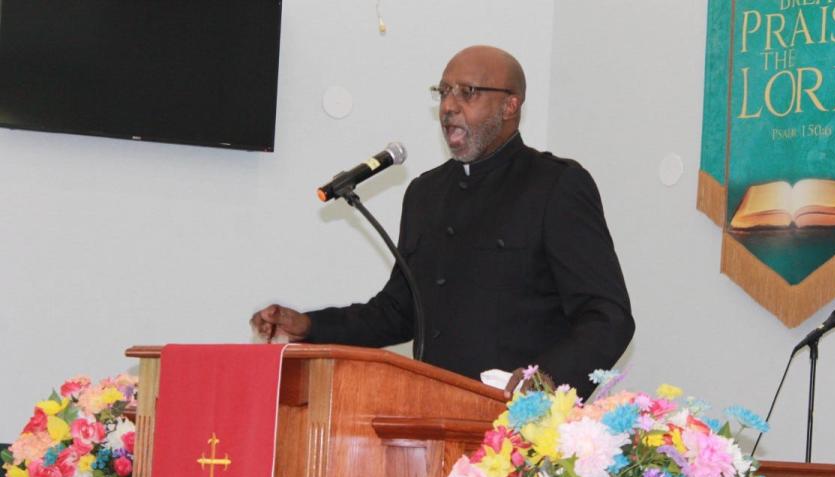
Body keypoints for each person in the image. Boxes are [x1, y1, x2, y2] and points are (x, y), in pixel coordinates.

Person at [251, 45, 634, 397]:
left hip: (518, 430)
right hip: (431, 418)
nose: (448, 106)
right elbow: (399, 311)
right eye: (443, 91)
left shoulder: (555, 185)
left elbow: (608, 318)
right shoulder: (425, 193)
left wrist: (545, 383)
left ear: (510, 105)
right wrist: (310, 326)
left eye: (467, 92)